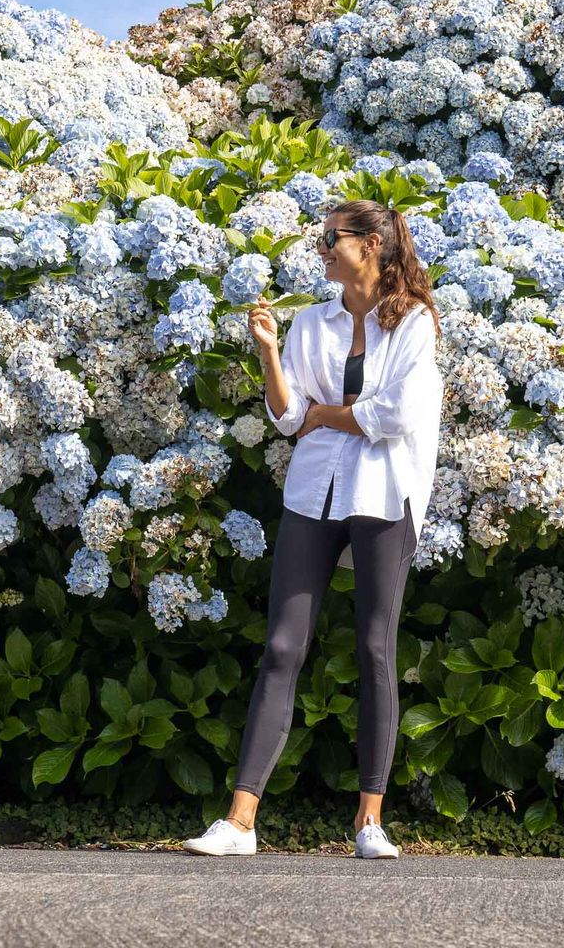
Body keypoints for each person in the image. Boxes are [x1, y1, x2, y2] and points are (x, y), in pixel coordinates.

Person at [182, 199, 444, 860]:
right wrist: (270, 353)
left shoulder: (415, 322)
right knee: (282, 645)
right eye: (323, 236)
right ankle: (240, 822)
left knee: (376, 650)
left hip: (386, 493)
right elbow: (289, 417)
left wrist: (324, 413)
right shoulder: (310, 322)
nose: (322, 246)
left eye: (334, 237)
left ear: (374, 247)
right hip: (314, 490)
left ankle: (369, 823)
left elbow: (395, 416)